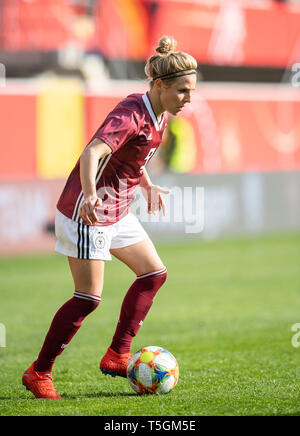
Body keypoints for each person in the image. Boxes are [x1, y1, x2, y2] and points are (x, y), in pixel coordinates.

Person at [22, 35, 197, 399]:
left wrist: (145, 185)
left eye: (191, 90)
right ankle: (39, 372)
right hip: (88, 212)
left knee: (153, 274)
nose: (188, 98)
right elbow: (92, 154)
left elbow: (133, 157)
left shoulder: (161, 112)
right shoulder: (131, 113)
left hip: (116, 210)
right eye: (182, 91)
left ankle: (118, 353)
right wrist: (88, 194)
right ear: (160, 85)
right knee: (87, 298)